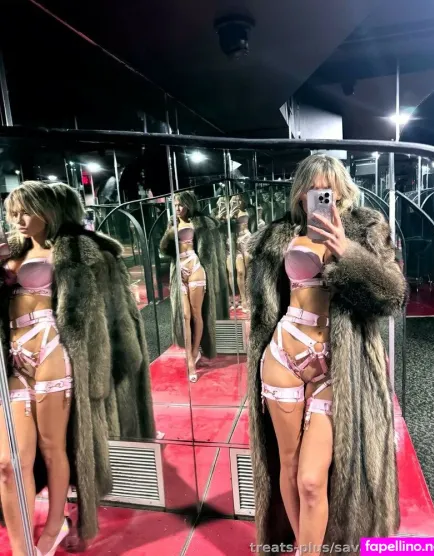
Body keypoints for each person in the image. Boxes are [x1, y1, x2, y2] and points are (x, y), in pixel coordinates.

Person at [246, 154, 408, 554]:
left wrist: (346, 252)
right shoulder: (277, 236)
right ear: (301, 194)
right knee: (287, 466)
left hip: (338, 366)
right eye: (313, 189)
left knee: (311, 480)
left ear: (341, 192)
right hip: (284, 356)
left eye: (329, 190)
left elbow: (393, 296)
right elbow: (264, 305)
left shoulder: (365, 230)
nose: (321, 196)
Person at [0, 181, 155, 556]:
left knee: (54, 448)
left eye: (27, 211)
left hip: (53, 353)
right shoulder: (10, 251)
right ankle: (21, 548)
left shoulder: (79, 251)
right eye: (14, 212)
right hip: (12, 358)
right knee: (8, 463)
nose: (19, 219)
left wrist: (106, 374)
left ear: (49, 211)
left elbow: (110, 319)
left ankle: (54, 526)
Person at [160, 191, 228, 382]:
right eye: (175, 204)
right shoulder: (172, 223)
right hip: (179, 269)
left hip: (196, 267)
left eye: (181, 204)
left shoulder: (201, 223)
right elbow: (165, 250)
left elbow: (211, 251)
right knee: (185, 315)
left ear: (189, 205)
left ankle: (194, 352)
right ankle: (189, 356)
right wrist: (170, 231)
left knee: (197, 314)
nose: (177, 208)